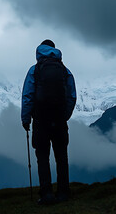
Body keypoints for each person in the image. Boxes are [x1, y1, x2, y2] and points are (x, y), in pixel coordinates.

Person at [21, 39, 76, 204]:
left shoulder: (34, 70)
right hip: (59, 120)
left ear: (39, 52)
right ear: (55, 50)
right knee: (61, 156)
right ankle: (63, 193)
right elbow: (71, 96)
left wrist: (26, 119)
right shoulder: (65, 71)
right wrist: (64, 115)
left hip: (40, 120)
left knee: (43, 157)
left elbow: (27, 96)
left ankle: (46, 194)